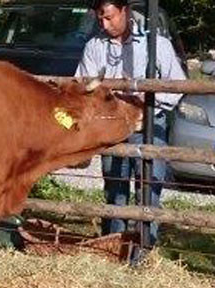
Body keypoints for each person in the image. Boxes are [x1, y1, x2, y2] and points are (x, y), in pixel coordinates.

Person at [75, 0, 186, 256]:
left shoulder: (155, 44)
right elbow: (83, 85)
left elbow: (177, 85)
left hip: (147, 124)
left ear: (125, 11)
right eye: (100, 19)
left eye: (110, 17)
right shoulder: (95, 46)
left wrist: (148, 105)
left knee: (148, 191)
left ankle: (143, 253)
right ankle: (114, 251)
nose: (105, 24)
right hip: (111, 127)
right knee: (115, 190)